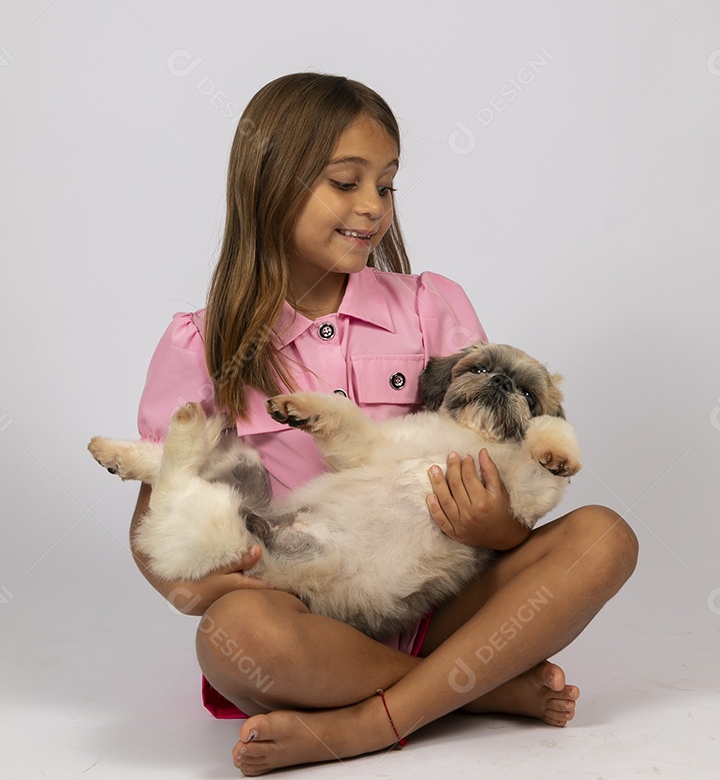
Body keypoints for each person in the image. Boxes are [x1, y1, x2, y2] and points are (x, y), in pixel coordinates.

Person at [130, 72, 638, 777]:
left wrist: (498, 529)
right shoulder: (202, 345)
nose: (372, 207)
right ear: (270, 183)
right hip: (309, 616)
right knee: (232, 638)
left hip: (438, 594)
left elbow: (505, 472)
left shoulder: (431, 305)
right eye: (346, 182)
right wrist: (212, 587)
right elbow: (153, 527)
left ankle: (371, 723)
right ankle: (472, 688)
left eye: (388, 185)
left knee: (604, 538)